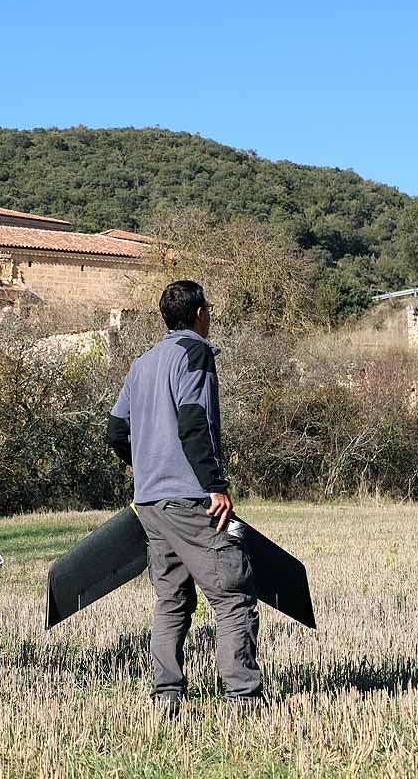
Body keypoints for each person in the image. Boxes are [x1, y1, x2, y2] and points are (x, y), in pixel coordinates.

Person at [107, 280, 262, 715]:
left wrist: (147, 464)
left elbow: (117, 430)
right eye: (208, 312)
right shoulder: (196, 352)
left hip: (151, 502)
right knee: (232, 593)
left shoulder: (142, 362)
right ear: (198, 314)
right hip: (190, 497)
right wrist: (215, 483)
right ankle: (243, 701)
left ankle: (167, 696)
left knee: (171, 598)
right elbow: (194, 420)